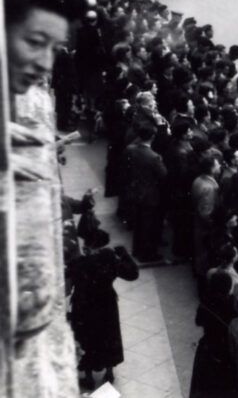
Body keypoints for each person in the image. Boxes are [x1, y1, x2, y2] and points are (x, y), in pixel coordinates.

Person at [68, 229, 139, 390]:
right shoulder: (110, 260)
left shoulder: (79, 263)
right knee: (108, 335)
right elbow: (132, 274)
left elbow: (70, 277)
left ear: (88, 245)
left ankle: (88, 377)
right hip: (106, 304)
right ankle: (109, 372)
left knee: (85, 337)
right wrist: (124, 254)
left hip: (84, 306)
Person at [127, 123, 169, 262]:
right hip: (150, 194)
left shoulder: (131, 149)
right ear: (152, 137)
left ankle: (137, 250)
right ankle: (147, 254)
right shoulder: (154, 157)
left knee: (139, 223)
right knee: (148, 225)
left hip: (136, 190)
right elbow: (163, 175)